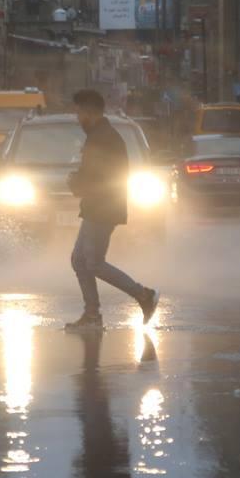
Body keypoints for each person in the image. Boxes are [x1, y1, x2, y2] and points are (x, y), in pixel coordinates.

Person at [65, 89, 159, 331]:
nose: (77, 118)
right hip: (97, 206)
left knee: (94, 262)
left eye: (79, 113)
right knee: (79, 260)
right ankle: (92, 315)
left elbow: (101, 176)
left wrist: (77, 183)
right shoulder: (99, 135)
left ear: (89, 112)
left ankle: (143, 294)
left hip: (103, 208)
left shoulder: (103, 138)